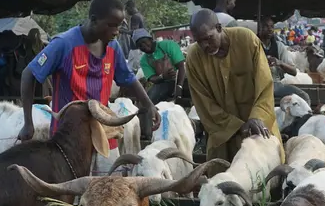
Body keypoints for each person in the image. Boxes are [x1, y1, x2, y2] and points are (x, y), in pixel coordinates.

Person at [19, 0, 160, 168]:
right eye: (111, 25)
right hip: (68, 138)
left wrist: (149, 105)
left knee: (107, 186)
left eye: (118, 26)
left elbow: (128, 79)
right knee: (69, 188)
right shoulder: (64, 44)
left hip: (104, 132)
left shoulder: (113, 48)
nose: (116, 32)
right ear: (94, 20)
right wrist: (28, 123)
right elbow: (29, 74)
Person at [185, 9, 281, 162]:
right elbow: (204, 103)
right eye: (199, 41)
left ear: (218, 28)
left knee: (266, 175)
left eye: (208, 38)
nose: (205, 46)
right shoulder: (193, 58)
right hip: (223, 136)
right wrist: (236, 126)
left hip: (257, 130)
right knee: (221, 178)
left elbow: (265, 86)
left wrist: (257, 117)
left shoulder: (247, 40)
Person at [133, 29, 186, 135]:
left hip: (182, 78)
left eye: (144, 42)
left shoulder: (168, 45)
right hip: (163, 83)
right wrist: (163, 76)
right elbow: (152, 78)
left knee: (195, 94)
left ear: (151, 39)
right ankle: (149, 132)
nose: (143, 46)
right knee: (148, 99)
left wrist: (179, 87)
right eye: (140, 45)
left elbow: (181, 67)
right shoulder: (144, 60)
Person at [257, 16, 311, 105]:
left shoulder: (279, 46)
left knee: (304, 96)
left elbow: (294, 72)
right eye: (266, 26)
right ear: (260, 28)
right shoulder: (253, 44)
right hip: (257, 84)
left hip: (275, 84)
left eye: (272, 27)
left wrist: (280, 63)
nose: (270, 29)